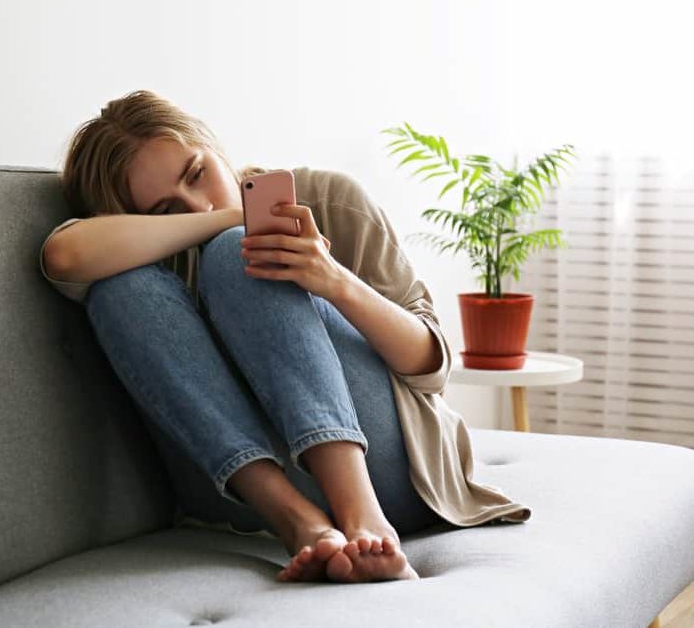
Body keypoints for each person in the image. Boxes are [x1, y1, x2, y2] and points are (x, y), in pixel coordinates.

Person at [40, 89, 531, 585]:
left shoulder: (330, 198)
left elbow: (432, 366)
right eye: (165, 210)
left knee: (238, 254)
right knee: (121, 288)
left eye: (197, 173)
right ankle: (303, 525)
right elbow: (63, 256)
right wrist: (229, 218)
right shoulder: (143, 251)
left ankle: (363, 517)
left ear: (211, 144)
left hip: (391, 476)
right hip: (243, 497)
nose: (198, 201)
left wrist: (332, 280)